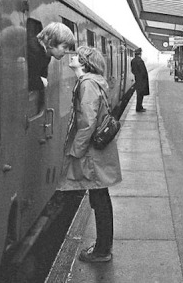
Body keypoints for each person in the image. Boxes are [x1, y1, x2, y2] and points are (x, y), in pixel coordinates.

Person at [59, 46, 122, 262]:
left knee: (100, 199)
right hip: (98, 150)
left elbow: (87, 122)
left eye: (76, 55)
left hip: (93, 153)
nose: (72, 56)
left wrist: (75, 152)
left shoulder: (87, 84)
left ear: (84, 62)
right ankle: (103, 246)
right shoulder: (93, 82)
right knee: (100, 197)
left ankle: (102, 251)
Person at [28, 22, 75, 90]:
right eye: (64, 47)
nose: (66, 51)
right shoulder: (33, 52)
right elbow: (29, 80)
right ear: (50, 43)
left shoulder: (47, 54)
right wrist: (41, 82)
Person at [131, 48, 149, 112]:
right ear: (140, 53)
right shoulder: (140, 61)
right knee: (140, 94)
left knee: (139, 94)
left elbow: (133, 70)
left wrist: (137, 76)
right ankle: (139, 107)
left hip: (137, 79)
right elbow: (143, 72)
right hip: (141, 80)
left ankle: (139, 107)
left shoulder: (133, 60)